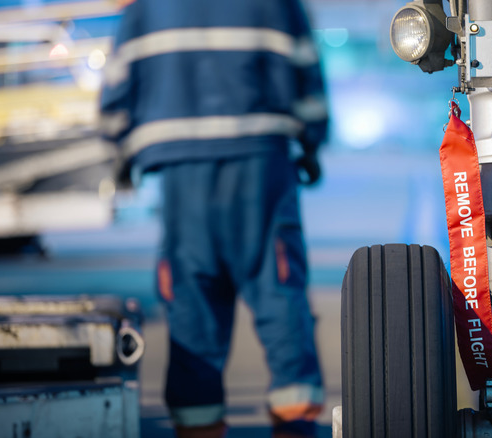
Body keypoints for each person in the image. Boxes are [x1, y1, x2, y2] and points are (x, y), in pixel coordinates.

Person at [99, 0, 327, 437]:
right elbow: (307, 81)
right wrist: (311, 145)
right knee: (279, 295)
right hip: (262, 168)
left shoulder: (144, 10)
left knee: (192, 305)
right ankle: (295, 421)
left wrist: (121, 154)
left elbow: (116, 97)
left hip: (183, 177)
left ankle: (198, 426)